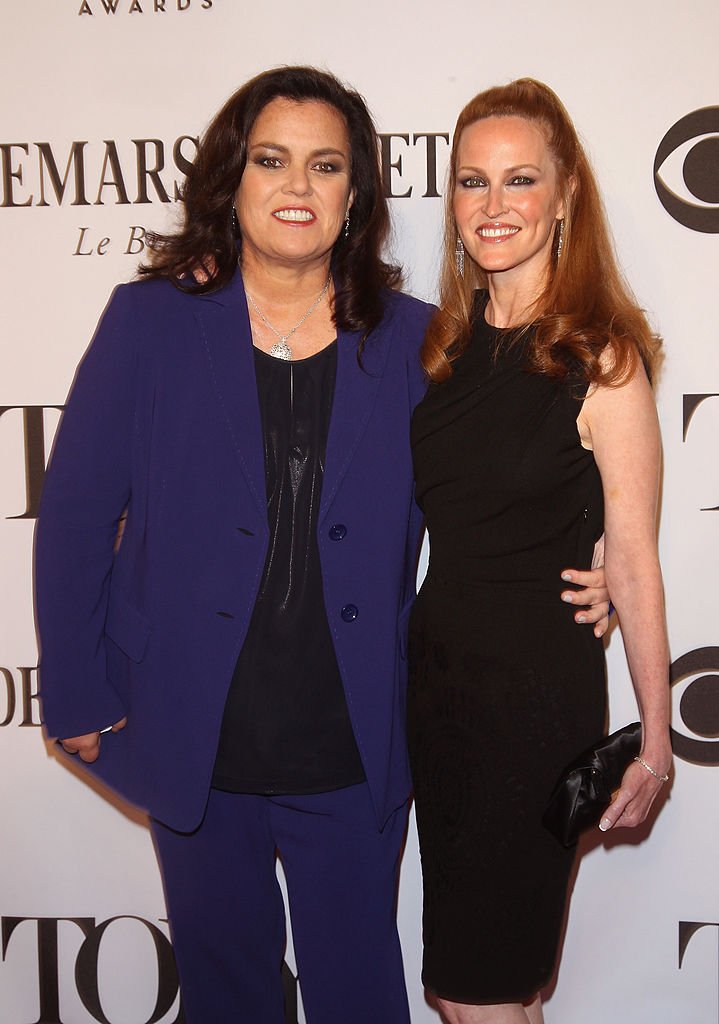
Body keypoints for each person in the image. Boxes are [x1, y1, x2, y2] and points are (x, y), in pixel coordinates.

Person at [35, 67, 609, 1023]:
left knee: (360, 998)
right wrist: (79, 691)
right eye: (273, 160)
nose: (297, 185)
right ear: (233, 179)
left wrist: (603, 558)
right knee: (228, 997)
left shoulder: (421, 343)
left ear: (355, 197)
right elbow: (79, 515)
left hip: (353, 737)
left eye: (326, 164)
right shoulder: (151, 324)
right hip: (189, 730)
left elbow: (516, 459)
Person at [407, 78, 672, 1024]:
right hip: (436, 693)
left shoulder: (600, 357)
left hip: (530, 701)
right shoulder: (440, 350)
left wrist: (653, 735)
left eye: (519, 180)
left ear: (564, 196)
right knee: (469, 991)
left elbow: (633, 557)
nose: (492, 205)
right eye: (472, 183)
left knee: (480, 994)